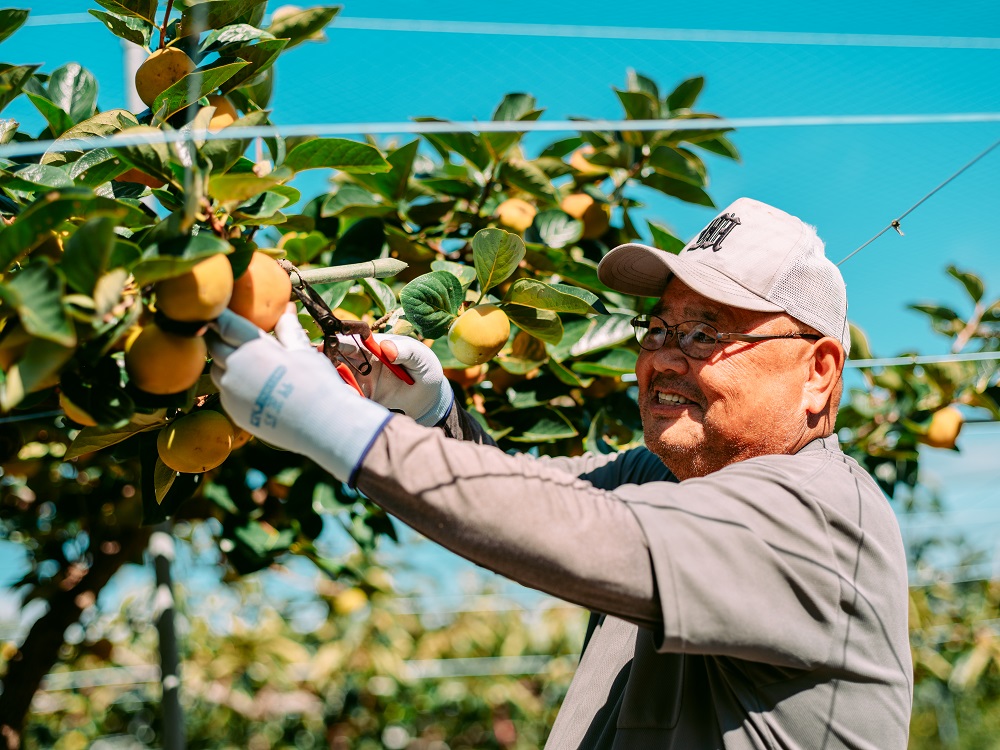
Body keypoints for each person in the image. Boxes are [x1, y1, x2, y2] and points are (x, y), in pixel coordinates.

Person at [209, 197, 913, 749]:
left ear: (819, 373)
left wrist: (330, 422)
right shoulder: (671, 481)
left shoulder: (820, 517)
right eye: (659, 329)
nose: (664, 358)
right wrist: (427, 417)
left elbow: (586, 533)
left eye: (705, 334)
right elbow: (533, 498)